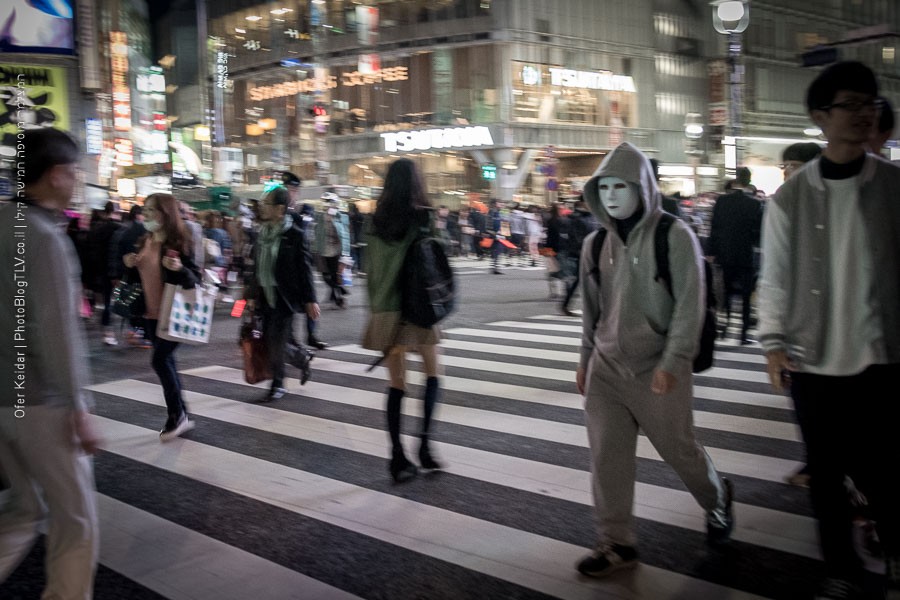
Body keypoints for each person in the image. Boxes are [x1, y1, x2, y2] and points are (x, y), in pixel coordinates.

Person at [758, 61, 900, 600]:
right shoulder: (790, 198)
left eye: (871, 104)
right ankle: (839, 571)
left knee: (887, 470)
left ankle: (894, 558)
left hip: (883, 355)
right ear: (821, 116)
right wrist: (772, 343)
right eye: (852, 105)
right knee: (825, 475)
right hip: (813, 360)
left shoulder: (892, 185)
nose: (866, 115)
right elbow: (773, 274)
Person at [575, 142, 734, 579]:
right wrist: (585, 358)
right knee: (607, 456)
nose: (610, 195)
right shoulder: (594, 244)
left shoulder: (673, 235)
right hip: (607, 368)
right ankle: (617, 541)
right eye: (603, 186)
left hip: (659, 366)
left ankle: (718, 499)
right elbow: (593, 309)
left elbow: (690, 304)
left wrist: (673, 360)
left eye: (620, 185)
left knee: (680, 452)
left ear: (642, 188)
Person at [0, 127, 100, 598]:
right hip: (42, 400)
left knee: (23, 509)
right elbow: (57, 329)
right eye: (75, 171)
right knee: (75, 520)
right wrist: (78, 406)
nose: (77, 180)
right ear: (57, 175)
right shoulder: (42, 237)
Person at [362, 158, 444, 484]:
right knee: (433, 374)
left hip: (384, 309)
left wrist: (377, 309)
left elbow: (370, 271)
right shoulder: (423, 217)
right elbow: (436, 261)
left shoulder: (374, 221)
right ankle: (424, 445)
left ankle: (397, 457)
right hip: (418, 310)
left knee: (397, 384)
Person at [123, 193, 201, 441]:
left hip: (174, 313)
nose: (145, 215)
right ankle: (183, 412)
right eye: (145, 210)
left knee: (159, 361)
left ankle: (176, 416)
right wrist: (130, 264)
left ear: (165, 214)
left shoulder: (178, 241)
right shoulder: (145, 240)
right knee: (167, 363)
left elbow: (195, 278)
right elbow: (139, 278)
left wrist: (179, 269)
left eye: (151, 210)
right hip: (150, 314)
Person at [775, 142, 822, 490]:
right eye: (785, 166)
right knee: (805, 401)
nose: (787, 172)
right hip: (798, 328)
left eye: (793, 165)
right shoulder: (783, 205)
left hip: (830, 326)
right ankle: (817, 464)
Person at [245, 186, 319, 401]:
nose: (262, 208)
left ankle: (278, 384)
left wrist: (310, 300)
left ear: (279, 209)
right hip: (264, 296)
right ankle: (302, 359)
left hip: (285, 297)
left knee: (276, 343)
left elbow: (305, 269)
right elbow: (257, 267)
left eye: (266, 204)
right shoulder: (262, 234)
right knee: (271, 340)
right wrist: (250, 295)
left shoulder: (294, 235)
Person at [707, 166, 764, 345]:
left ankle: (724, 328)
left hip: (725, 253)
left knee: (725, 291)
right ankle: (743, 333)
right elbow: (758, 232)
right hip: (745, 253)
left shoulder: (722, 202)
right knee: (746, 294)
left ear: (735, 179)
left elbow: (714, 228)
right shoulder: (754, 204)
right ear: (749, 181)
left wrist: (711, 252)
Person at [560, 194, 597, 316]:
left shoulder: (592, 216)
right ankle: (567, 305)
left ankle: (566, 304)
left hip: (593, 251)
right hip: (583, 252)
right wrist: (581, 250)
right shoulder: (576, 218)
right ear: (582, 203)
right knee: (583, 280)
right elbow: (576, 237)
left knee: (583, 280)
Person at [315, 193, 351, 308]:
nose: (327, 205)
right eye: (325, 202)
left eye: (329, 202)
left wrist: (345, 254)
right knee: (325, 276)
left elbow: (345, 236)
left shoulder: (340, 217)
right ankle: (338, 292)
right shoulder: (321, 217)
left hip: (335, 252)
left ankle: (338, 298)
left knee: (334, 276)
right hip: (323, 251)